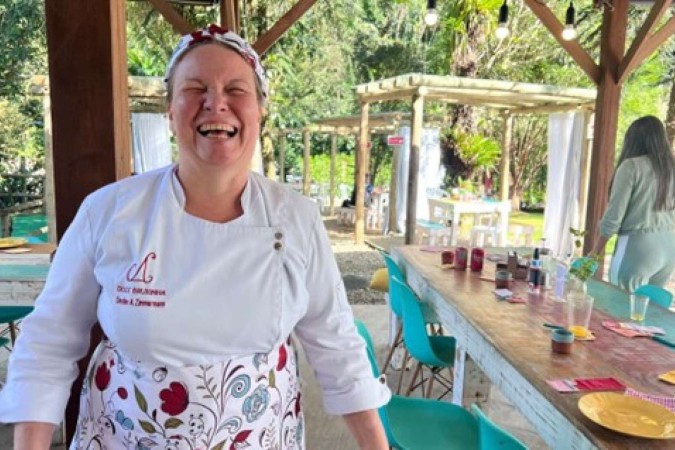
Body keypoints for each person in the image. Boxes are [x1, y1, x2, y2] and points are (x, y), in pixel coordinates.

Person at [0, 25, 390, 449]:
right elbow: (48, 342)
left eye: (235, 89)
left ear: (260, 111)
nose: (215, 103)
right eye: (195, 88)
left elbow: (337, 345)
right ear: (170, 111)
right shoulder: (109, 211)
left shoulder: (296, 217)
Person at [589, 115, 675, 292]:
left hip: (638, 245)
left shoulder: (631, 166)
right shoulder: (671, 167)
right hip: (669, 246)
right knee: (651, 312)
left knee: (620, 306)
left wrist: (595, 252)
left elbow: (614, 216)